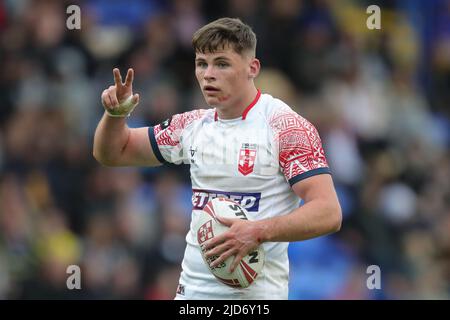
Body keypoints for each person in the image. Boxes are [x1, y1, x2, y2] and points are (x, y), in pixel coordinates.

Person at [93, 17, 342, 300]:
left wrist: (257, 231)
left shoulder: (286, 127)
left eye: (222, 64)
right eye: (202, 64)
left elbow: (328, 212)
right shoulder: (191, 126)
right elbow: (113, 153)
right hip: (193, 297)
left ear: (252, 68)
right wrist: (115, 115)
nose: (209, 74)